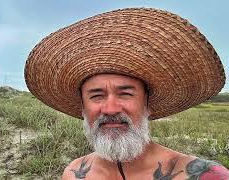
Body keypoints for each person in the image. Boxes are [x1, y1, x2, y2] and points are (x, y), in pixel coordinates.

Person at [24, 8, 229, 179]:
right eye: (96, 95)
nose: (111, 108)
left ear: (148, 104)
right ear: (83, 107)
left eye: (125, 94)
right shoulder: (74, 174)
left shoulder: (203, 175)